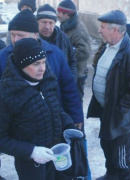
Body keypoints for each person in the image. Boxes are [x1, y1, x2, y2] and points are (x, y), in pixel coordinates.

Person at [0, 38, 76, 180]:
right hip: (31, 166)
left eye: (43, 62)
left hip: (57, 156)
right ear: (21, 66)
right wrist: (32, 152)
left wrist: (68, 124)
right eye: (36, 64)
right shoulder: (7, 94)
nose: (43, 68)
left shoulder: (47, 80)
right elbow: (2, 138)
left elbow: (54, 107)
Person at [0, 9, 83, 129]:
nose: (15, 39)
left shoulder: (54, 54)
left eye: (21, 35)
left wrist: (75, 115)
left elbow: (68, 87)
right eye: (12, 34)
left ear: (35, 34)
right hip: (18, 127)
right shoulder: (3, 57)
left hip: (52, 120)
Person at [87, 10, 130, 180]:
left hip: (120, 116)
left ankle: (124, 177)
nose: (99, 30)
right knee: (107, 145)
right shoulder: (107, 46)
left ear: (115, 30)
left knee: (122, 158)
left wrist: (119, 109)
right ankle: (111, 175)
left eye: (102, 27)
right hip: (107, 110)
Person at [57, 0, 91, 101]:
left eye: (59, 13)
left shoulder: (78, 29)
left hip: (77, 75)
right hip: (68, 72)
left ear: (67, 14)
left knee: (75, 104)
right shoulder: (65, 26)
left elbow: (85, 51)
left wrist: (64, 55)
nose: (57, 15)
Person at [36, 4, 77, 80]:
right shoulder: (31, 39)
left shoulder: (63, 38)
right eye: (44, 22)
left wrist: (71, 79)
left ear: (55, 23)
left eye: (51, 23)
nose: (47, 27)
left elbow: (72, 61)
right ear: (37, 22)